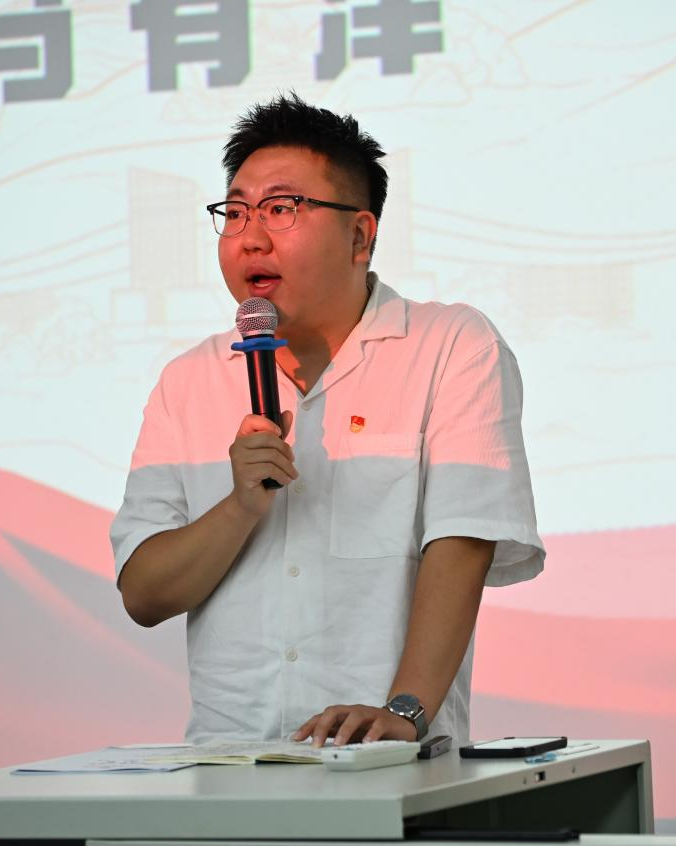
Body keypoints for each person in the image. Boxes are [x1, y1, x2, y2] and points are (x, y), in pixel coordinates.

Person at [110, 93, 543, 748]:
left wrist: (405, 711)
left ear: (360, 236)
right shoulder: (189, 379)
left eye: (282, 209)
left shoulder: (449, 344)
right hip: (227, 769)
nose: (251, 237)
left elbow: (463, 540)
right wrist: (239, 508)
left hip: (385, 762)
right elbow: (144, 594)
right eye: (235, 212)